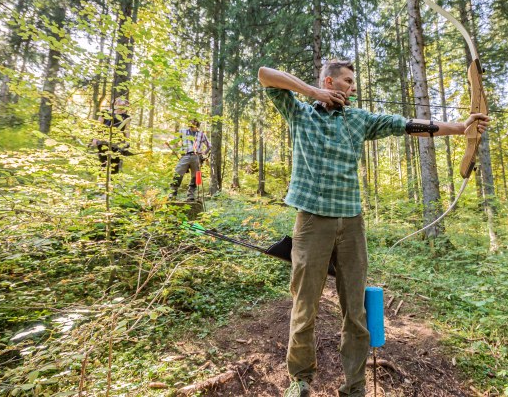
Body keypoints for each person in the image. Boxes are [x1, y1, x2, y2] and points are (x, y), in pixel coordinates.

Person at [258, 60, 490, 397]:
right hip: (311, 221)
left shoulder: (359, 119)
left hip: (351, 223)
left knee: (355, 310)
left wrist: (459, 128)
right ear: (329, 81)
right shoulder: (300, 113)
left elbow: (407, 124)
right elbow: (265, 74)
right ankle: (300, 380)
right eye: (347, 81)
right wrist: (312, 92)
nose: (352, 88)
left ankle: (354, 386)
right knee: (304, 305)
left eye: (354, 83)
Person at [168, 119, 211, 202]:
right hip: (185, 155)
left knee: (195, 176)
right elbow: (175, 140)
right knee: (178, 173)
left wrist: (204, 154)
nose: (192, 123)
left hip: (197, 157)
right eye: (190, 122)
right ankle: (172, 194)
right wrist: (176, 147)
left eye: (194, 122)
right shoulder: (183, 131)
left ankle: (190, 195)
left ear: (197, 123)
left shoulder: (201, 134)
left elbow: (209, 145)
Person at [92, 97, 131, 174]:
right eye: (122, 104)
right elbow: (98, 127)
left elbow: (127, 130)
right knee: (103, 162)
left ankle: (112, 183)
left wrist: (127, 142)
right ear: (116, 103)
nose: (124, 106)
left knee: (115, 163)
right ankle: (102, 183)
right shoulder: (105, 112)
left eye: (126, 105)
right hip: (103, 141)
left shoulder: (126, 117)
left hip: (117, 143)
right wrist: (95, 138)